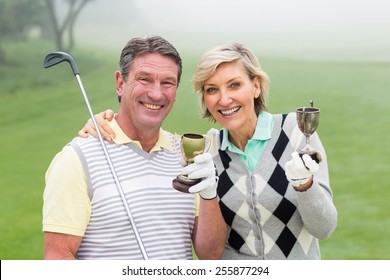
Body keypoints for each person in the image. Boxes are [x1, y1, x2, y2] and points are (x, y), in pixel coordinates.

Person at [80, 43, 337, 260]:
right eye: (212, 89)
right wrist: (102, 121)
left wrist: (305, 185)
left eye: (234, 85)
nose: (224, 99)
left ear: (256, 86)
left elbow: (323, 228)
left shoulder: (296, 131)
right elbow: (148, 133)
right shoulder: (206, 150)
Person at [42, 36, 226, 260]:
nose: (156, 94)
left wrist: (209, 195)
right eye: (144, 79)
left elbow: (211, 254)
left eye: (167, 82)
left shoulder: (185, 155)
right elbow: (58, 256)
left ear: (175, 91)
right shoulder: (76, 160)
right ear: (120, 83)